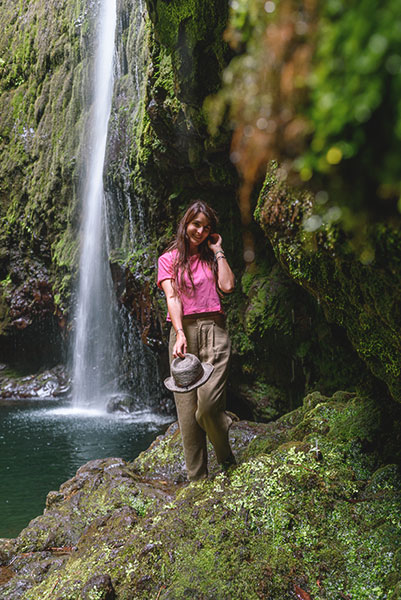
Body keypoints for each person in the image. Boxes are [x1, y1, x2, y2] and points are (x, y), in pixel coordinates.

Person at [157, 200, 236, 481]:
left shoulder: (210, 257)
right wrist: (179, 333)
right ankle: (197, 480)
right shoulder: (168, 260)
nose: (200, 231)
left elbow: (227, 287)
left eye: (206, 227)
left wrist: (218, 251)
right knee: (188, 414)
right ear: (185, 223)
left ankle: (226, 458)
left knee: (208, 406)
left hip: (214, 331)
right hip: (183, 334)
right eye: (196, 224)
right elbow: (172, 297)